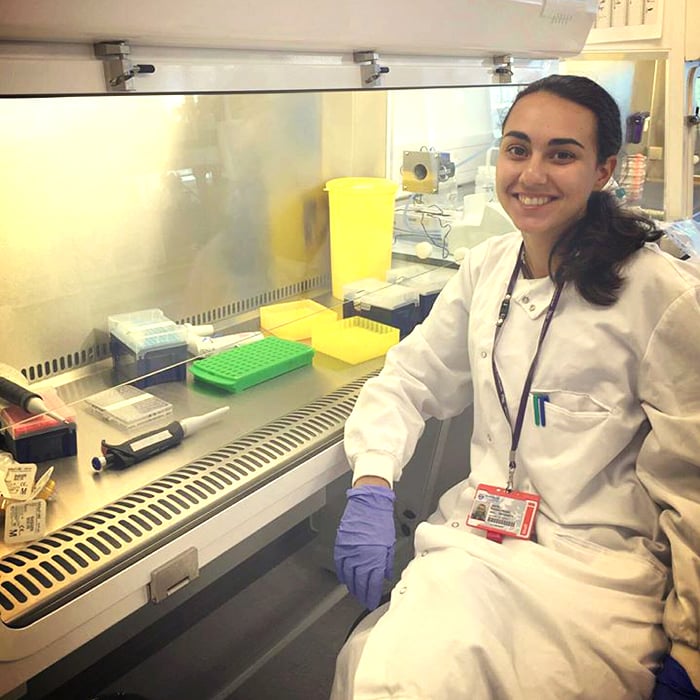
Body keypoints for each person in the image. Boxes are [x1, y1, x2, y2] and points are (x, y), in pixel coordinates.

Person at [330, 74, 700, 700]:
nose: (531, 174)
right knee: (381, 673)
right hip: (476, 542)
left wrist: (691, 650)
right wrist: (371, 481)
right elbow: (410, 377)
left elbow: (694, 488)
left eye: (562, 154)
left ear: (604, 171)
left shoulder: (662, 296)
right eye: (518, 149)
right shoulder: (488, 266)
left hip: (595, 576)